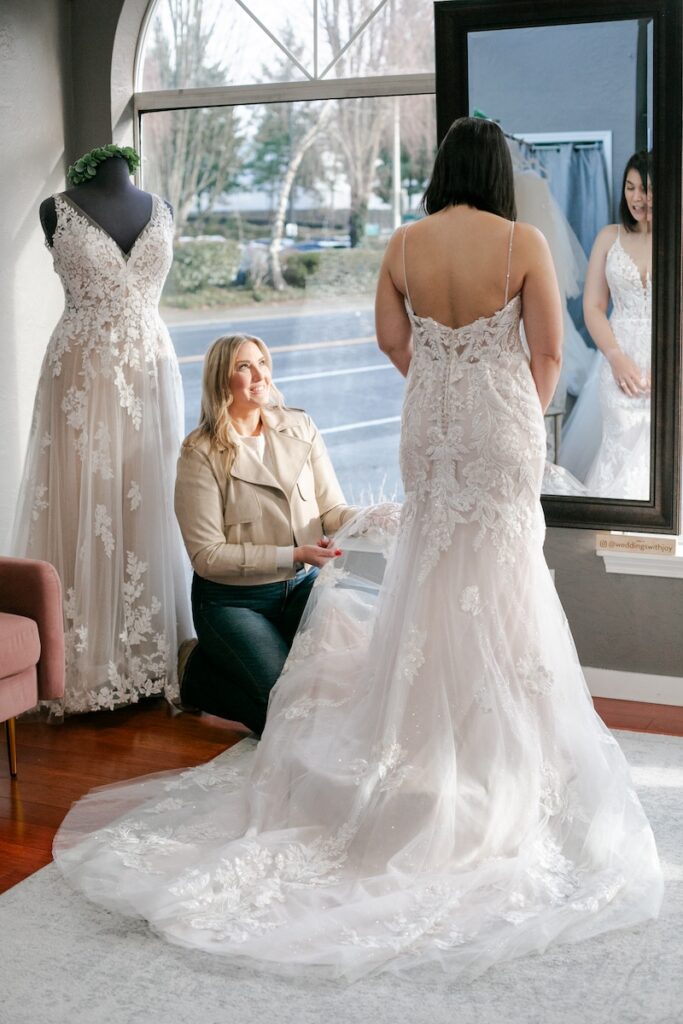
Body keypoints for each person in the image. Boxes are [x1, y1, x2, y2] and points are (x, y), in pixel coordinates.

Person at [53, 118, 662, 982]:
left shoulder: (404, 243)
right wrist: (505, 407)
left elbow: (390, 339)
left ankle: (424, 745)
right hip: (499, 425)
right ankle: (498, 756)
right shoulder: (521, 239)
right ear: (495, 174)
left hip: (432, 426)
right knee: (504, 577)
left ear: (441, 170)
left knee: (434, 570)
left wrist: (440, 386)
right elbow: (550, 349)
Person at [10, 147, 192, 715]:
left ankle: (149, 656)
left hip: (150, 369)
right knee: (80, 499)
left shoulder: (161, 208)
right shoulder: (55, 209)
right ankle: (84, 664)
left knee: (149, 499)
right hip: (81, 371)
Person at [174, 333, 357, 734]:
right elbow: (207, 555)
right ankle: (194, 672)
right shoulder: (200, 453)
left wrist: (370, 518)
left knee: (344, 683)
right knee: (285, 714)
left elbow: (331, 511)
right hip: (232, 603)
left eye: (262, 362)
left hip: (301, 590)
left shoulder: (300, 427)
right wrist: (293, 555)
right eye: (244, 366)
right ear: (222, 380)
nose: (260, 374)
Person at [581, 150, 652, 498]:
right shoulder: (609, 238)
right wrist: (615, 357)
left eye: (646, 189)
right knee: (621, 446)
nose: (637, 198)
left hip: (667, 362)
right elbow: (593, 307)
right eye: (630, 187)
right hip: (618, 361)